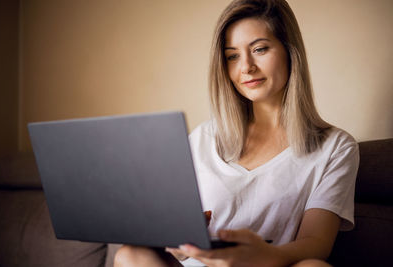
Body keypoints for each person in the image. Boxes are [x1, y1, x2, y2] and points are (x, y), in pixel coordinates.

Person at [114, 0, 359, 266]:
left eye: (260, 49)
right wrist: (179, 242)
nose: (246, 67)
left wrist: (265, 256)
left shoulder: (336, 147)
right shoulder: (203, 138)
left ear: (290, 51)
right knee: (130, 254)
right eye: (232, 56)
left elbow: (316, 243)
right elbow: (176, 238)